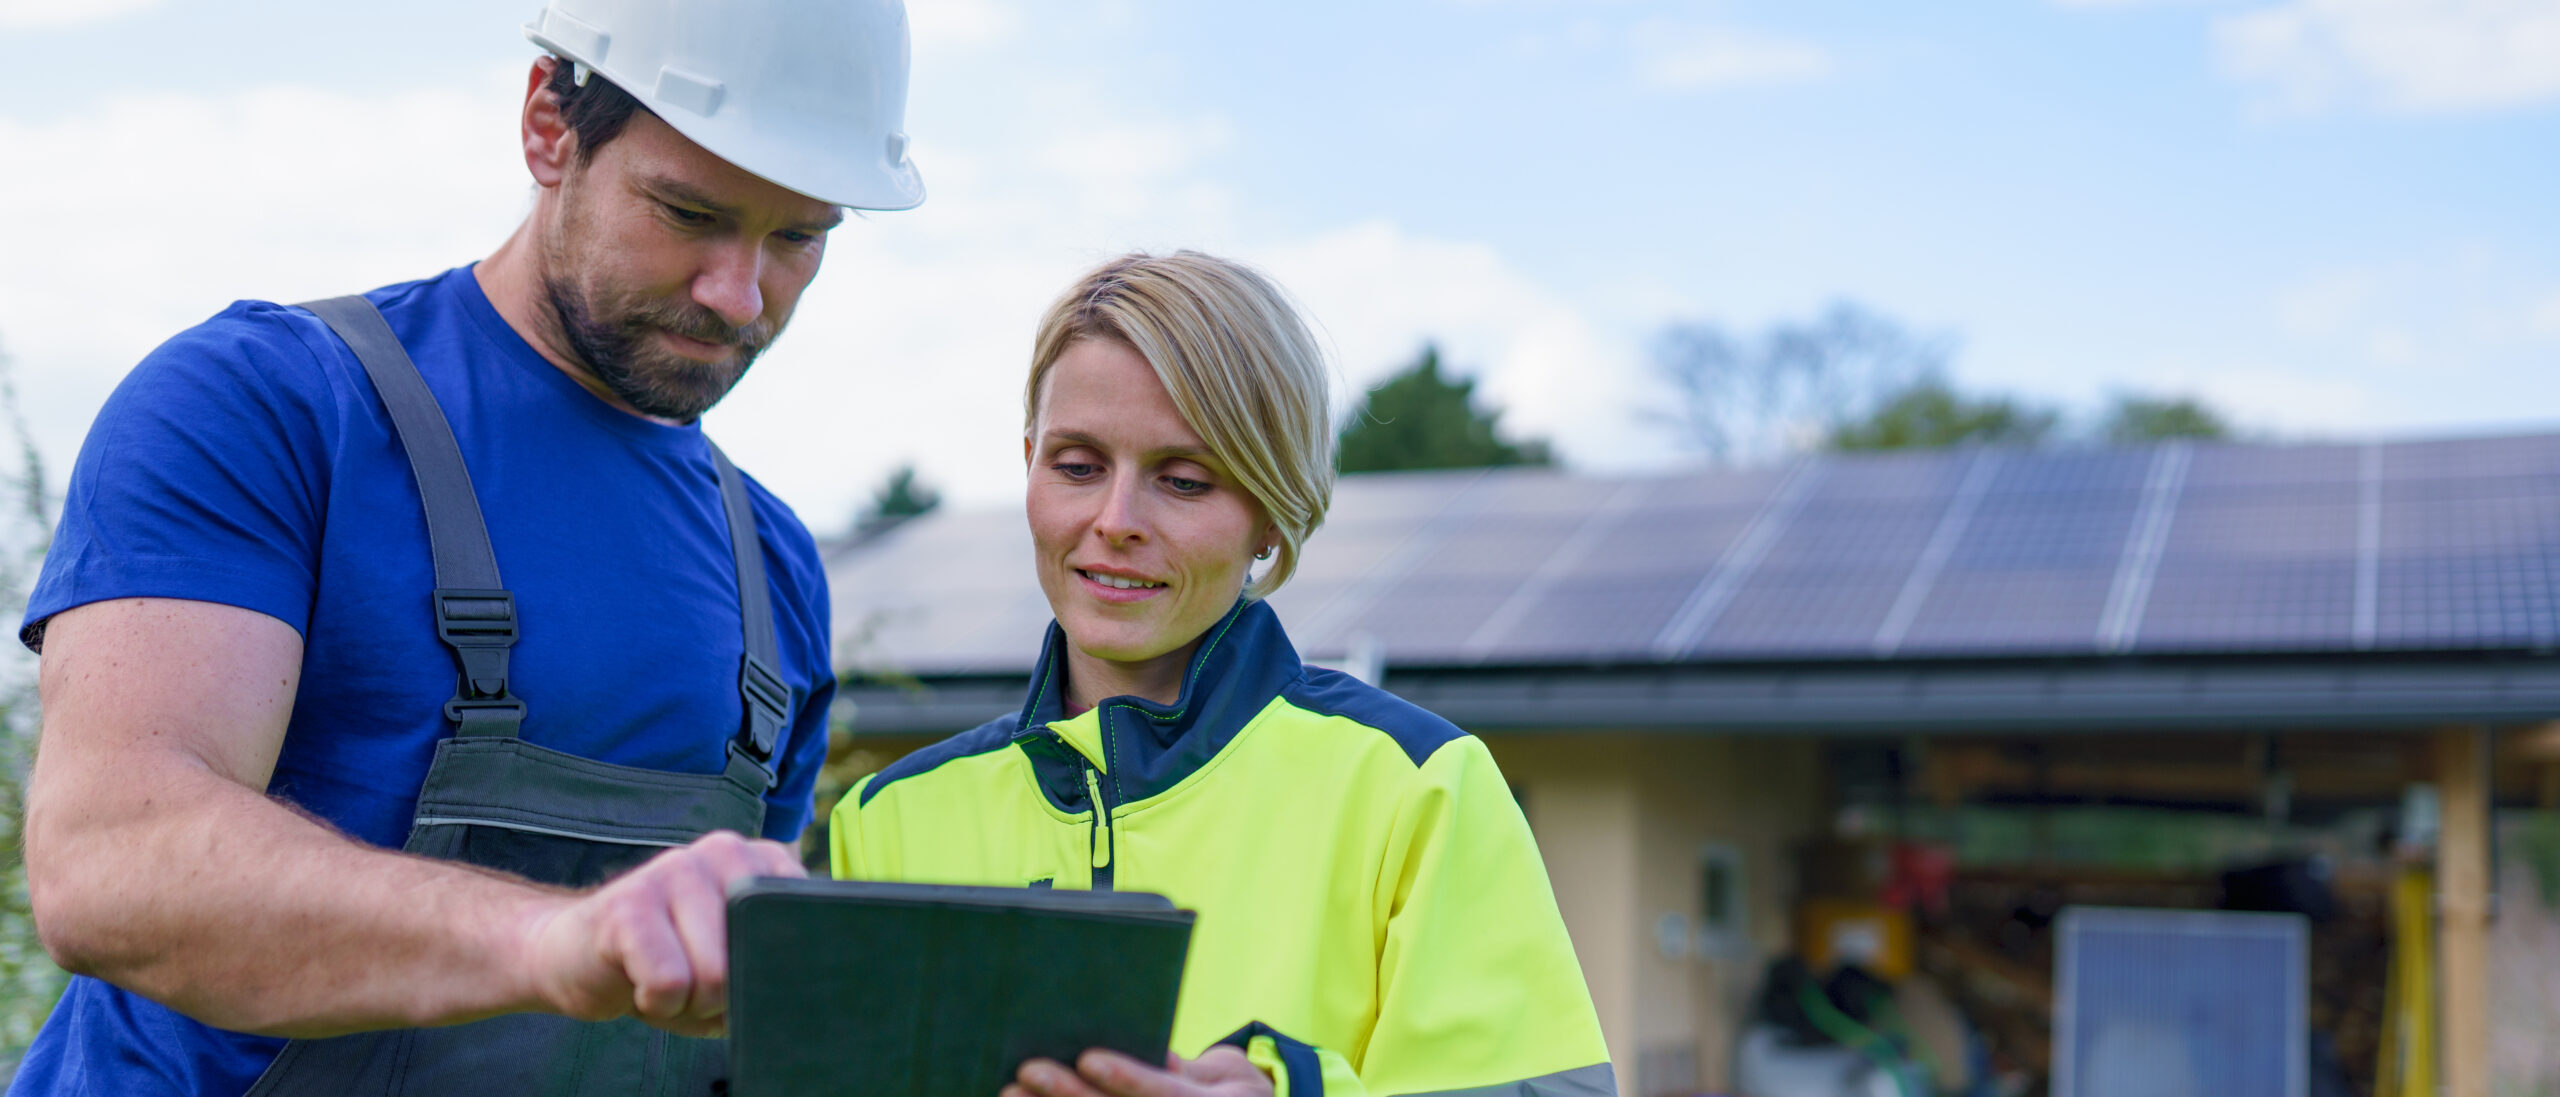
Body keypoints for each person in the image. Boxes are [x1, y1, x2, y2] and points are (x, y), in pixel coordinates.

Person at [12, 2, 923, 1093]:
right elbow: (112, 861)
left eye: (797, 237)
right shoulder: (272, 404)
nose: (739, 293)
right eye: (687, 212)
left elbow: (740, 1019)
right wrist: (558, 944)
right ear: (548, 126)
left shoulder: (771, 563)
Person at [830, 252, 1616, 1097]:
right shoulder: (887, 822)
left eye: (1184, 479)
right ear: (1028, 463)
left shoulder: (1419, 787)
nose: (1116, 520)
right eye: (1078, 465)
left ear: (1273, 514)